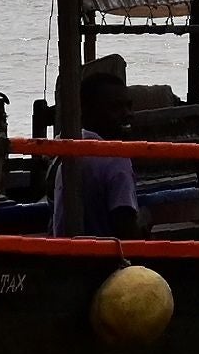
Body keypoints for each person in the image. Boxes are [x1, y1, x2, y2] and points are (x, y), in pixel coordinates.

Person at [52, 55, 148, 237]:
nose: (128, 114)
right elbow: (125, 228)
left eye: (129, 106)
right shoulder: (115, 160)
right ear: (88, 112)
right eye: (116, 108)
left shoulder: (68, 150)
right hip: (104, 260)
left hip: (65, 256)